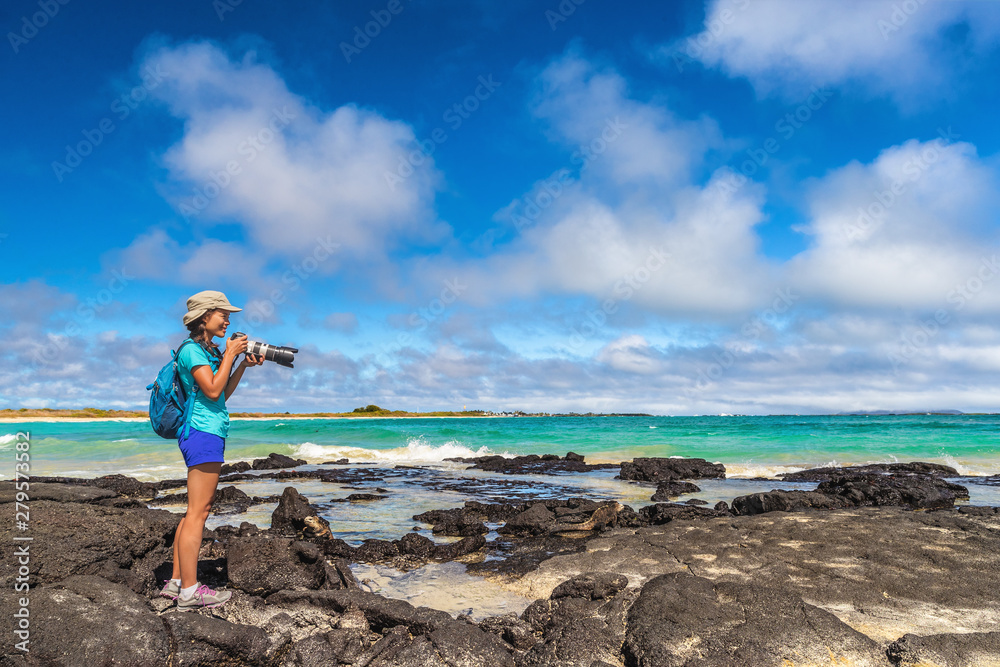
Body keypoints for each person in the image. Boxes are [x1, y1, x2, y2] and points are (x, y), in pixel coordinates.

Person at [158, 290, 264, 609]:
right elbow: (213, 388)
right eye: (223, 314)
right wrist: (231, 352)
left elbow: (221, 395)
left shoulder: (208, 352)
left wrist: (241, 364)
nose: (228, 320)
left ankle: (176, 582)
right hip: (202, 435)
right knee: (198, 513)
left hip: (208, 433)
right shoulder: (192, 351)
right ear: (205, 317)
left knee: (193, 512)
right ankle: (190, 592)